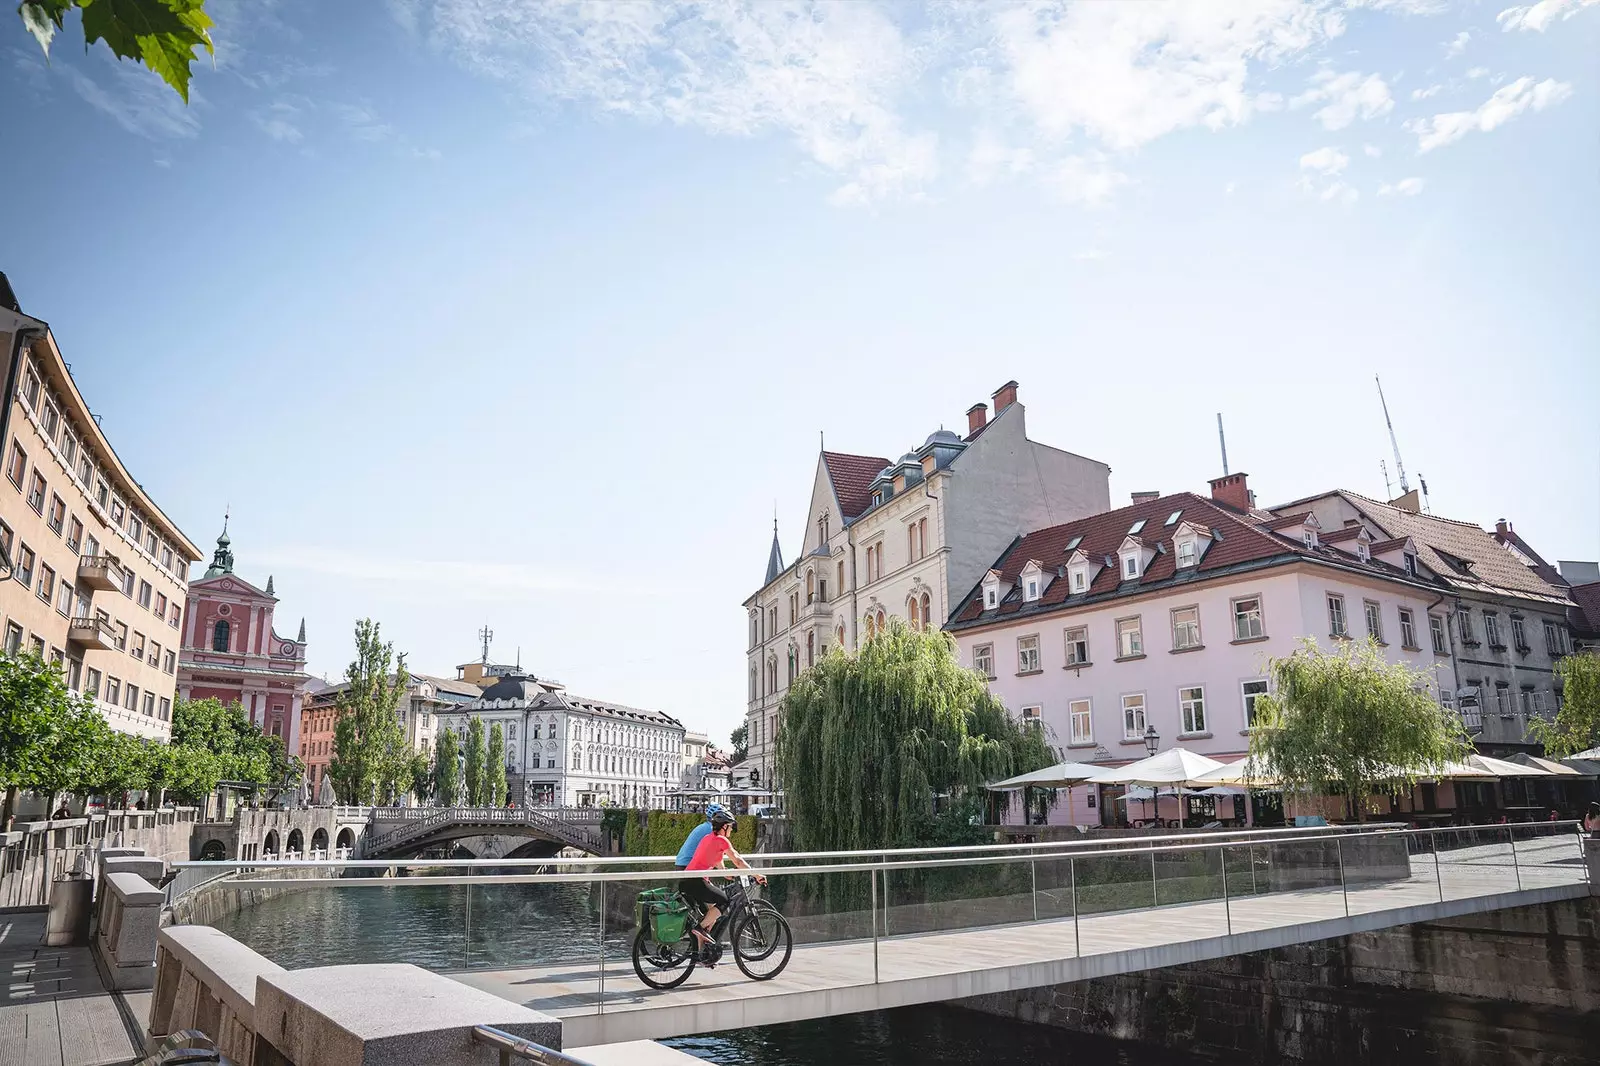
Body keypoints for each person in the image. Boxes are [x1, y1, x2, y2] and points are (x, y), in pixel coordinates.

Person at [680, 811, 764, 960]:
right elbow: (737, 860)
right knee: (724, 901)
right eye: (731, 827)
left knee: (710, 915)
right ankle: (699, 930)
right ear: (724, 827)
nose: (732, 830)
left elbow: (716, 859)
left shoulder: (708, 838)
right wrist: (756, 875)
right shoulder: (722, 841)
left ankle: (701, 954)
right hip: (696, 881)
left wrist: (725, 872)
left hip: (687, 880)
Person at [674, 802, 728, 870]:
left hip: (683, 864)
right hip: (689, 865)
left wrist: (723, 869)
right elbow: (717, 856)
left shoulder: (705, 826)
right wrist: (724, 871)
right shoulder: (711, 830)